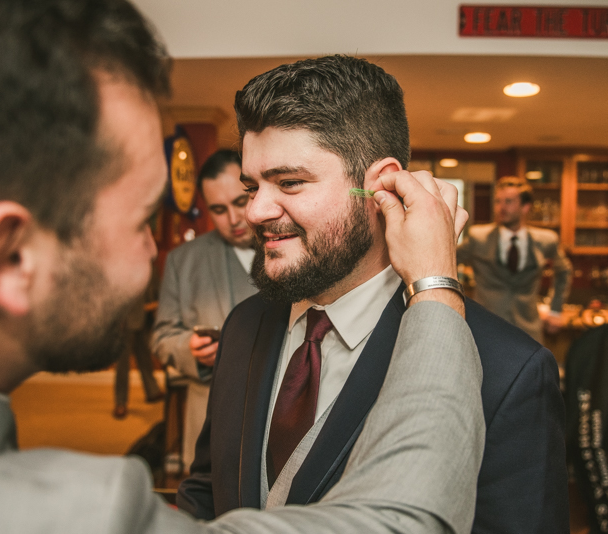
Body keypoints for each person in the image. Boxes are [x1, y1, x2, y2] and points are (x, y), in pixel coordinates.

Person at [0, 1, 485, 532]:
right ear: (11, 256)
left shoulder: (506, 365)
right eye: (145, 219)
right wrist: (436, 283)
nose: (154, 250)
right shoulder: (72, 512)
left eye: (289, 182)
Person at [178, 56, 570, 533]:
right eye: (251, 186)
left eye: (289, 183)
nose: (256, 211)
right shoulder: (245, 325)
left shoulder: (509, 370)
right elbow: (206, 491)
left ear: (379, 184)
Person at [152, 149, 257, 468]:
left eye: (240, 202)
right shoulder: (183, 262)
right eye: (218, 210)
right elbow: (162, 336)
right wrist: (191, 350)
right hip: (210, 421)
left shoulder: (294, 249)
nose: (234, 219)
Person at [456, 176, 573, 343]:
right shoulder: (478, 237)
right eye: (498, 201)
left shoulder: (546, 240)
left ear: (525, 207)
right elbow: (448, 261)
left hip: (528, 328)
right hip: (486, 328)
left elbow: (564, 271)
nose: (501, 207)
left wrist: (555, 310)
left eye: (508, 201)